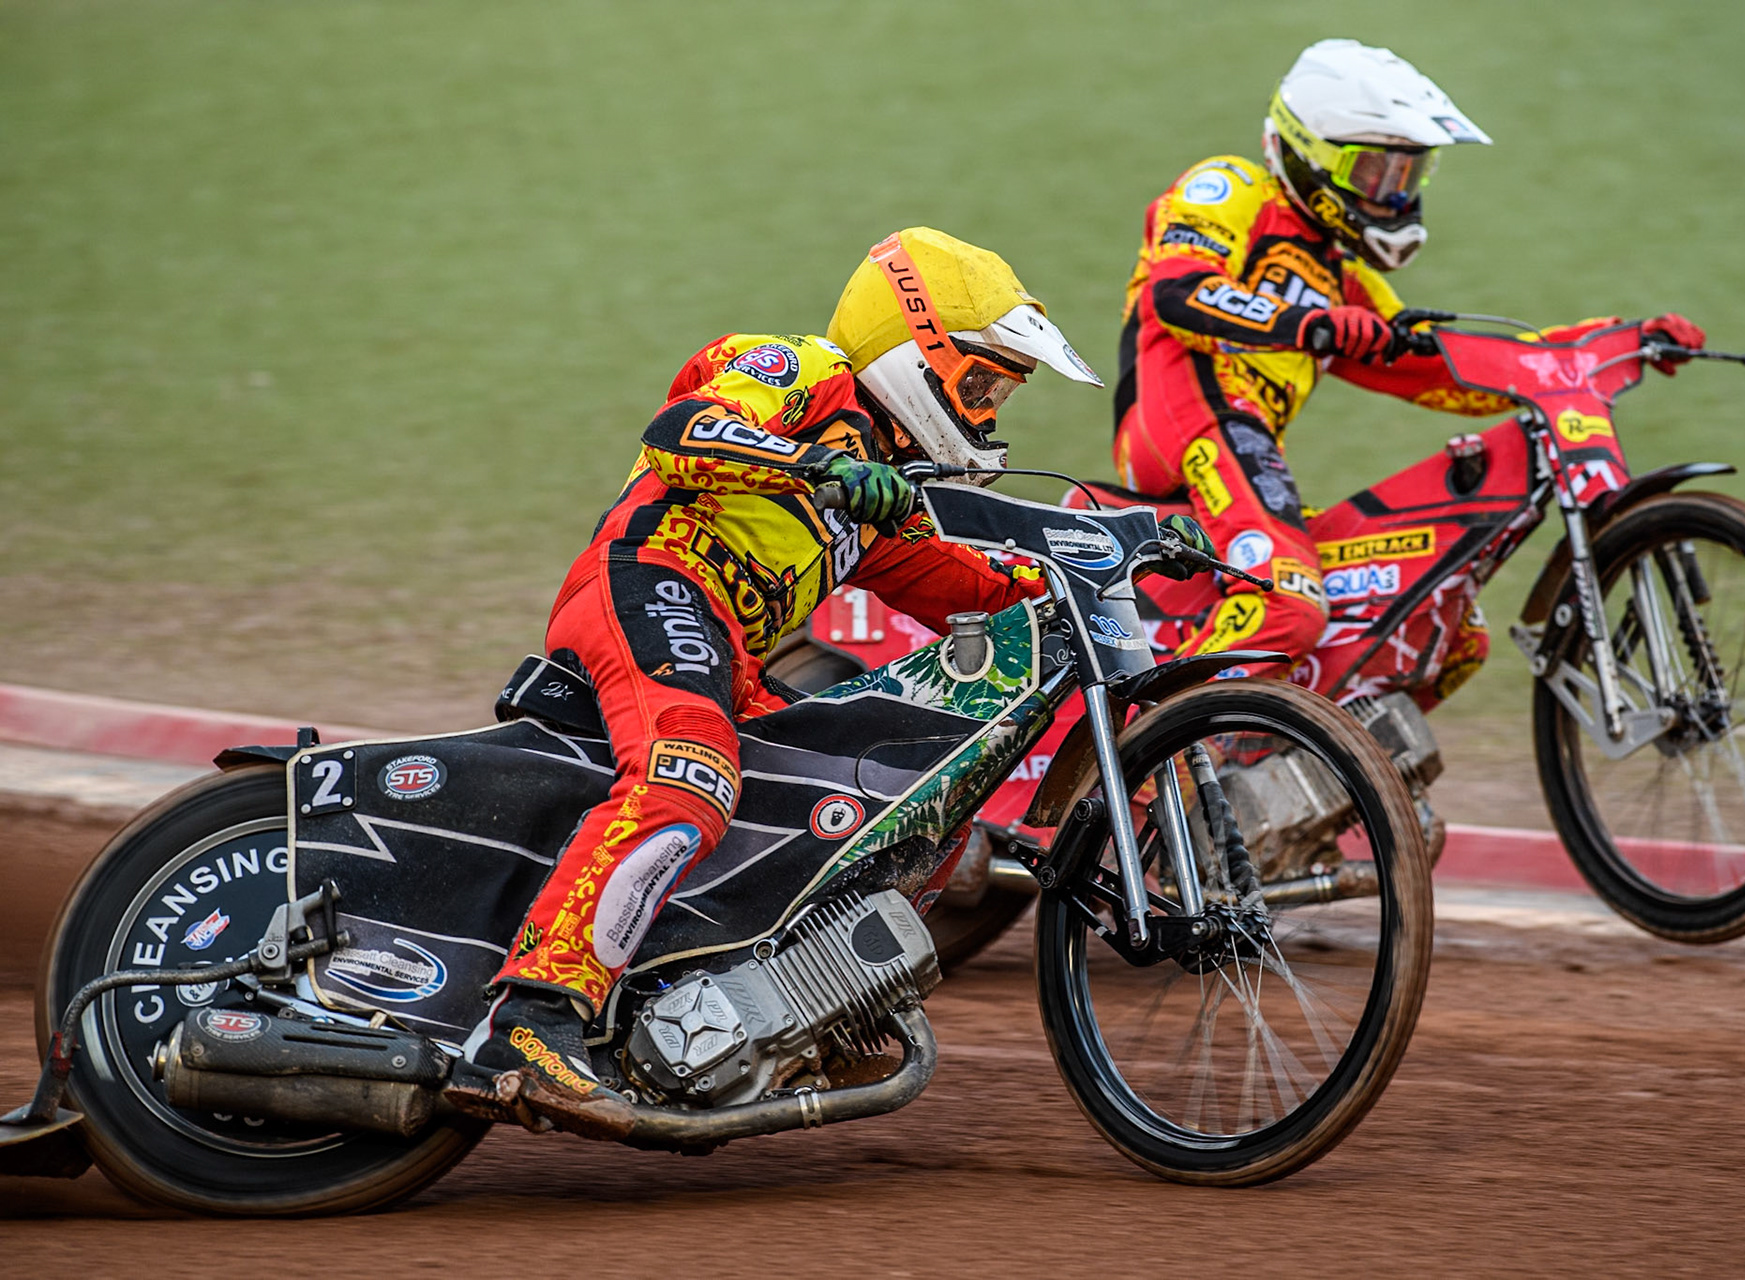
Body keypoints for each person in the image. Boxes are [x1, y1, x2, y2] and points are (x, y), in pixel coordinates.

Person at [470, 227, 1206, 1132]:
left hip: (726, 648)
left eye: (1001, 393)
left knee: (874, 809)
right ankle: (537, 1014)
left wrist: (1091, 569)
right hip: (648, 579)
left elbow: (961, 586)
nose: (986, 412)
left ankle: (737, 999)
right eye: (979, 383)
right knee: (689, 779)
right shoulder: (804, 373)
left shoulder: (879, 491)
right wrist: (819, 465)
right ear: (912, 354)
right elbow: (680, 433)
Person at [1112, 38, 1704, 693]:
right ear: (1311, 153)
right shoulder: (1233, 186)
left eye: (1407, 176)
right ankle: (1134, 755)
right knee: (1288, 604)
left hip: (1241, 443)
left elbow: (1446, 373)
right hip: (1185, 414)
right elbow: (1177, 292)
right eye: (1375, 173)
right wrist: (1310, 324)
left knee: (1446, 632)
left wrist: (1607, 344)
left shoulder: (1344, 277)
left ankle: (1321, 778)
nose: (1394, 196)